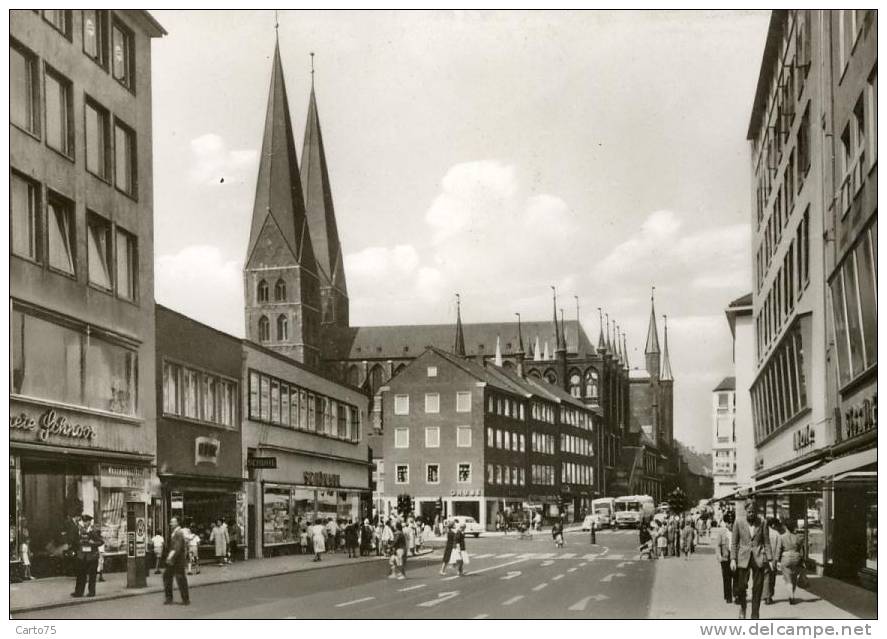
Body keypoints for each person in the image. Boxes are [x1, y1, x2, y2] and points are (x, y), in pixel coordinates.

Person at [730, 501, 773, 620]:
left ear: (756, 512)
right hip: (743, 557)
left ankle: (755, 614)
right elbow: (734, 542)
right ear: (745, 511)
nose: (751, 514)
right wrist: (733, 559)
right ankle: (743, 608)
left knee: (758, 587)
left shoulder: (762, 522)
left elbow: (767, 542)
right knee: (741, 586)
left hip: (758, 557)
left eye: (753, 512)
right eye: (749, 512)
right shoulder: (738, 522)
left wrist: (770, 559)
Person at [71, 513, 103, 598]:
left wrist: (94, 543)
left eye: (87, 521)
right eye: (84, 521)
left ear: (90, 522)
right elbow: (75, 541)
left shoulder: (94, 531)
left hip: (92, 556)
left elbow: (101, 541)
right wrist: (78, 544)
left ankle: (91, 592)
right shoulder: (80, 530)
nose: (85, 523)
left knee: (92, 575)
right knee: (80, 574)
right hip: (82, 556)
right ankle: (78, 592)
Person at [777, 519, 805, 605]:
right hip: (796, 557)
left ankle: (791, 596)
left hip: (786, 558)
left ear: (785, 527)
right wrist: (802, 559)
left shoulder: (782, 537)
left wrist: (778, 560)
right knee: (794, 578)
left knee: (787, 579)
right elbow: (801, 548)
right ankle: (792, 594)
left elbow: (779, 549)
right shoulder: (797, 537)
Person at [163, 516, 190, 606]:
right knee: (168, 576)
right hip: (175, 560)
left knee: (180, 578)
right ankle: (170, 598)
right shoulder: (175, 532)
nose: (171, 523)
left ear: (177, 523)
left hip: (177, 560)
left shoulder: (178, 533)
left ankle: (185, 599)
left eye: (173, 522)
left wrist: (170, 557)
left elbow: (177, 547)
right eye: (171, 522)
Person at [762, 518, 783, 605]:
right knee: (772, 578)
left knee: (765, 577)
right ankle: (769, 596)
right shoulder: (777, 534)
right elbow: (779, 548)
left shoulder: (763, 533)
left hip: (763, 557)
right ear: (773, 525)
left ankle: (765, 595)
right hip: (773, 559)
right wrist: (777, 559)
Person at [716, 515, 734, 603]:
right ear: (726, 523)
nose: (731, 524)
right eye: (729, 522)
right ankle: (728, 596)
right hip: (725, 558)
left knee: (736, 577)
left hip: (734, 557)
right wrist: (719, 556)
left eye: (732, 522)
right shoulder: (721, 532)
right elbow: (718, 546)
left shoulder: (736, 531)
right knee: (726, 578)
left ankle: (736, 594)